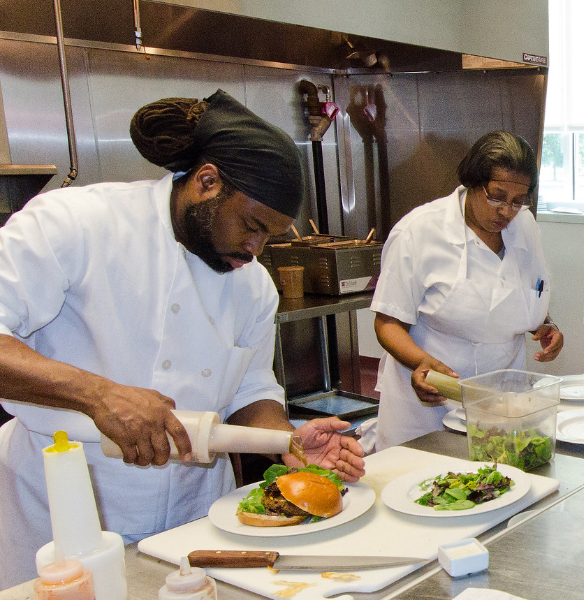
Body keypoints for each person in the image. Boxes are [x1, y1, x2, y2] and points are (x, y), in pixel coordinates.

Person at [0, 89, 365, 589]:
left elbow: (250, 390)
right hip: (63, 508)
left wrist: (287, 442)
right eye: (252, 227)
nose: (255, 249)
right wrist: (99, 395)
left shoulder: (252, 283)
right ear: (207, 182)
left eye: (269, 238)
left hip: (196, 520)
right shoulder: (76, 223)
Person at [371, 130, 563, 450]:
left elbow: (525, 288)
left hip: (501, 409)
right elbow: (388, 322)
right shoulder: (419, 232)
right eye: (497, 196)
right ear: (473, 182)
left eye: (518, 201)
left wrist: (547, 324)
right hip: (428, 409)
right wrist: (420, 361)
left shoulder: (525, 226)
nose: (506, 211)